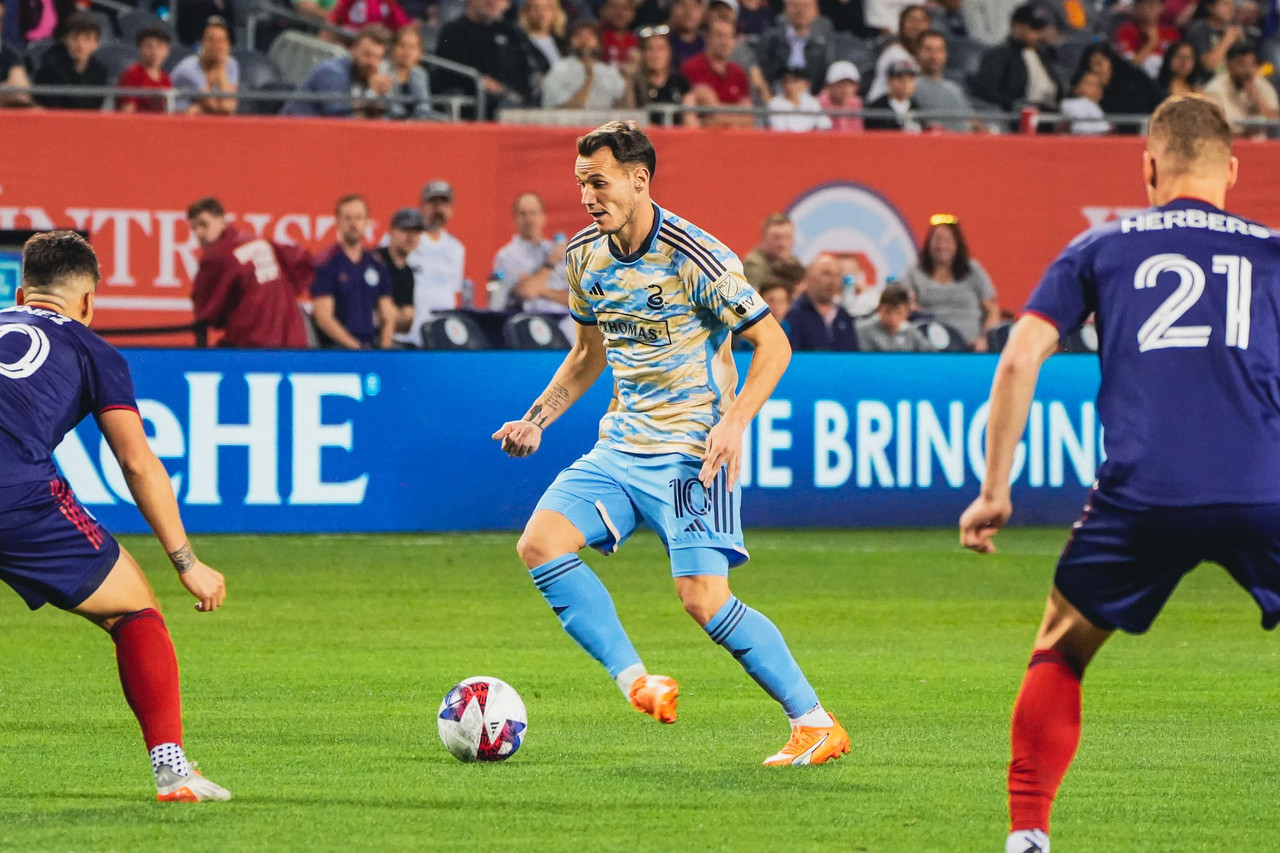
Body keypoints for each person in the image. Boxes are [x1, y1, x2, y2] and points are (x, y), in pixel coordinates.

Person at [958, 94, 1280, 853]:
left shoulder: (1100, 247)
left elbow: (1020, 355)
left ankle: (1029, 835)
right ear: (1233, 168)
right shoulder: (1272, 252)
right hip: (1265, 485)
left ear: (1148, 167)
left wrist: (995, 487)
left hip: (1145, 489)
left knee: (1061, 646)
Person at [492, 121, 848, 766]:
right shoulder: (583, 256)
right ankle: (638, 682)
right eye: (581, 184)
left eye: (598, 183)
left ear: (639, 179)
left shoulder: (696, 256)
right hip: (621, 447)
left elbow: (775, 343)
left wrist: (735, 420)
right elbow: (585, 354)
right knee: (539, 543)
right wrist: (536, 419)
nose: (588, 197)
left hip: (693, 453)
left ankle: (815, 723)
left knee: (703, 600)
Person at [0, 231, 229, 802]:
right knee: (134, 611)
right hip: (14, 495)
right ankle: (172, 770)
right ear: (89, 303)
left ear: (23, 294)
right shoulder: (91, 348)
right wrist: (186, 562)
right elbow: (137, 462)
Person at [186, 196, 314, 348]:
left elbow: (206, 311)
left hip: (254, 344)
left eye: (204, 224)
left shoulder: (217, 257)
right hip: (293, 338)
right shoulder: (260, 241)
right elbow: (302, 262)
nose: (199, 233)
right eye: (194, 229)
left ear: (221, 220)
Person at [311, 195, 396, 350]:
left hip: (371, 347)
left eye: (358, 218)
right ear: (337, 222)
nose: (353, 224)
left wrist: (384, 350)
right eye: (347, 218)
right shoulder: (326, 262)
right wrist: (355, 348)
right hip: (336, 348)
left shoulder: (376, 264)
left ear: (366, 222)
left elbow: (388, 314)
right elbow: (323, 317)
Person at [904, 214, 998, 350]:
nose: (941, 246)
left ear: (957, 244)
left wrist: (985, 339)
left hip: (971, 347)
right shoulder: (915, 271)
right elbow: (904, 302)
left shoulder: (972, 269)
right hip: (929, 347)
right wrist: (910, 306)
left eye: (947, 240)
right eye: (937, 240)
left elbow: (992, 309)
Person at [434, 0, 537, 119]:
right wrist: (480, 80)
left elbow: (535, 64)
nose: (494, 2)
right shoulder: (453, 31)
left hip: (518, 105)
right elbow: (450, 73)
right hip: (477, 108)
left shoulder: (511, 31)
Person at [398, 180, 466, 346]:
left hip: (441, 338)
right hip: (406, 336)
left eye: (444, 204)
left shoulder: (456, 249)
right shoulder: (403, 239)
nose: (438, 209)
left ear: (452, 210)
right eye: (432, 203)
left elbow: (453, 290)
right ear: (421, 206)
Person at [284, 24, 394, 118]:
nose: (372, 62)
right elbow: (338, 117)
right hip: (293, 133)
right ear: (353, 50)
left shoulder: (369, 75)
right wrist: (372, 94)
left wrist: (382, 97)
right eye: (366, 54)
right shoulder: (331, 71)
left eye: (377, 57)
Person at [972, 3, 1061, 112]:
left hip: (1051, 113)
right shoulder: (998, 54)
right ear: (1016, 26)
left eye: (1041, 29)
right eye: (1034, 28)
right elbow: (987, 92)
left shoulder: (1044, 54)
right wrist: (1016, 104)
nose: (1039, 34)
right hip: (1018, 115)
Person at [492, 192, 570, 315]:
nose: (529, 219)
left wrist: (540, 288)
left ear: (543, 217)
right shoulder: (506, 256)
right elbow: (527, 292)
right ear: (515, 219)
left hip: (562, 323)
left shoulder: (558, 252)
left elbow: (575, 300)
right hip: (527, 323)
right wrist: (550, 264)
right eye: (523, 214)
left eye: (533, 213)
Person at [680, 16, 753, 128]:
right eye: (719, 35)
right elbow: (687, 112)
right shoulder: (690, 68)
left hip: (735, 141)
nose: (724, 41)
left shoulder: (739, 73)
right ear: (708, 37)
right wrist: (734, 115)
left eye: (730, 36)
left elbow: (748, 118)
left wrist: (715, 111)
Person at [32, 11, 107, 110]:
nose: (80, 45)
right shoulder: (50, 69)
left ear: (96, 44)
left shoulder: (100, 72)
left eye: (87, 38)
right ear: (65, 40)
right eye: (74, 38)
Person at [757, 0, 835, 95]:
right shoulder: (771, 39)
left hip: (814, 100)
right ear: (785, 9)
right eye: (795, 6)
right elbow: (763, 73)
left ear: (816, 11)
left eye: (806, 6)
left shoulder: (824, 43)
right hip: (777, 99)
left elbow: (829, 73)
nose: (801, 11)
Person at [542, 21, 627, 109]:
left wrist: (629, 77)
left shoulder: (609, 71)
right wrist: (589, 78)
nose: (585, 40)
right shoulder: (559, 69)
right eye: (578, 36)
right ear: (570, 42)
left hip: (603, 122)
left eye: (590, 35)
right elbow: (564, 109)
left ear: (599, 43)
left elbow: (625, 108)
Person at [1203, 42, 1279, 140]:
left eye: (1251, 64)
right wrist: (1245, 136)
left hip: (1262, 145)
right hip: (1228, 144)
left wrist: (1256, 99)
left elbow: (1275, 120)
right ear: (1229, 65)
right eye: (1242, 64)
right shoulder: (1215, 89)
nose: (1248, 70)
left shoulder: (1262, 85)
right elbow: (1213, 130)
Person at [784, 253, 858, 350]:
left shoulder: (844, 316)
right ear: (808, 278)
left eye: (837, 275)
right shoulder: (793, 313)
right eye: (826, 274)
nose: (833, 281)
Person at [170, 17, 238, 115]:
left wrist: (221, 70)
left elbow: (229, 106)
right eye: (211, 40)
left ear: (228, 45)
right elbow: (212, 105)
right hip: (177, 118)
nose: (216, 45)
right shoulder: (188, 69)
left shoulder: (231, 64)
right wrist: (221, 68)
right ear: (202, 43)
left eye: (221, 41)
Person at [913, 30, 978, 132]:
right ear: (917, 52)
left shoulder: (955, 89)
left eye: (939, 50)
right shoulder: (910, 87)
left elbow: (973, 122)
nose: (934, 56)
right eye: (928, 50)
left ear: (945, 54)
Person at [624, 26, 690, 126]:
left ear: (669, 53)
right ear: (642, 54)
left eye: (660, 49)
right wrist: (629, 78)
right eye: (650, 49)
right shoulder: (635, 83)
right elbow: (628, 114)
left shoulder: (680, 83)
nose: (655, 54)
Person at [865, 2, 930, 103]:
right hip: (884, 108)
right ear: (902, 24)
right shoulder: (895, 51)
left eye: (922, 21)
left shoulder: (924, 53)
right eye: (912, 20)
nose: (917, 26)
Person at [377, 207, 425, 339]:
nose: (411, 237)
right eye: (405, 230)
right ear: (391, 231)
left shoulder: (407, 272)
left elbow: (407, 322)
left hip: (390, 338)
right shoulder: (374, 261)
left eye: (416, 232)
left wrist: (390, 315)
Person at [1114, 0, 1182, 78]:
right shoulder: (1125, 31)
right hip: (1136, 82)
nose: (1150, 8)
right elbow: (1128, 68)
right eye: (1146, 4)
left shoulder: (1172, 33)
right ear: (1136, 6)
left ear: (1162, 7)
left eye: (1154, 4)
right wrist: (1151, 43)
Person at [856, 282, 933, 351]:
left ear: (907, 312)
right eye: (887, 312)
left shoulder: (911, 331)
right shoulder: (862, 330)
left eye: (899, 313)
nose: (893, 318)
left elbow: (930, 355)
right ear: (879, 308)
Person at [117, 25, 173, 114]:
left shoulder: (166, 79)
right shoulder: (132, 74)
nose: (154, 52)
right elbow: (127, 111)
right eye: (149, 46)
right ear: (140, 48)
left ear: (167, 50)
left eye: (160, 46)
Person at [384, 24, 435, 119]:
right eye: (402, 45)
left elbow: (424, 107)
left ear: (420, 52)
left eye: (412, 47)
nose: (407, 51)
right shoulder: (384, 70)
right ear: (393, 49)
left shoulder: (420, 73)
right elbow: (392, 109)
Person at [1185, 0, 1248, 76]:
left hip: (1230, 81)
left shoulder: (1236, 28)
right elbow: (1207, 65)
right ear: (1210, 8)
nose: (1231, 9)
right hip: (1205, 81)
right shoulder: (1199, 28)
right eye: (1225, 5)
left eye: (1232, 5)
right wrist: (1228, 39)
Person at [742, 213, 802, 288]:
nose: (782, 244)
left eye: (787, 237)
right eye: (776, 238)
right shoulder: (754, 264)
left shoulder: (793, 262)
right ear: (764, 239)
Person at [769, 64, 834, 131]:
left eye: (795, 81)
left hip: (811, 139)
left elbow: (825, 125)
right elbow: (779, 130)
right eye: (786, 81)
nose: (790, 85)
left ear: (805, 84)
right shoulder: (775, 103)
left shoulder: (812, 102)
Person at [864, 58, 922, 131]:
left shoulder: (916, 107)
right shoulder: (877, 107)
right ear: (889, 81)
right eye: (900, 78)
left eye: (910, 78)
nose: (905, 83)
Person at [1058, 69, 1111, 135]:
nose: (1093, 88)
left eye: (1097, 85)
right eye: (1089, 84)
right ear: (1076, 87)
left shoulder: (1098, 108)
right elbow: (1081, 129)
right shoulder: (1068, 104)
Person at [520, 0, 567, 73]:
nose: (541, 13)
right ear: (527, 12)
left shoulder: (564, 43)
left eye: (547, 8)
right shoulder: (519, 43)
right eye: (536, 7)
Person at [816, 60, 864, 132]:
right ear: (829, 86)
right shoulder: (817, 104)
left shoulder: (857, 103)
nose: (845, 89)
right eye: (840, 85)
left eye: (850, 85)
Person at [598, 0, 638, 66]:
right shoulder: (596, 40)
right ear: (603, 10)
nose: (620, 13)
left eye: (625, 8)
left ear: (633, 12)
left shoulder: (638, 42)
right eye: (614, 7)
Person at [328, 0, 411, 31]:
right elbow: (333, 19)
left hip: (372, 47)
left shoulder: (390, 6)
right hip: (344, 38)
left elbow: (404, 28)